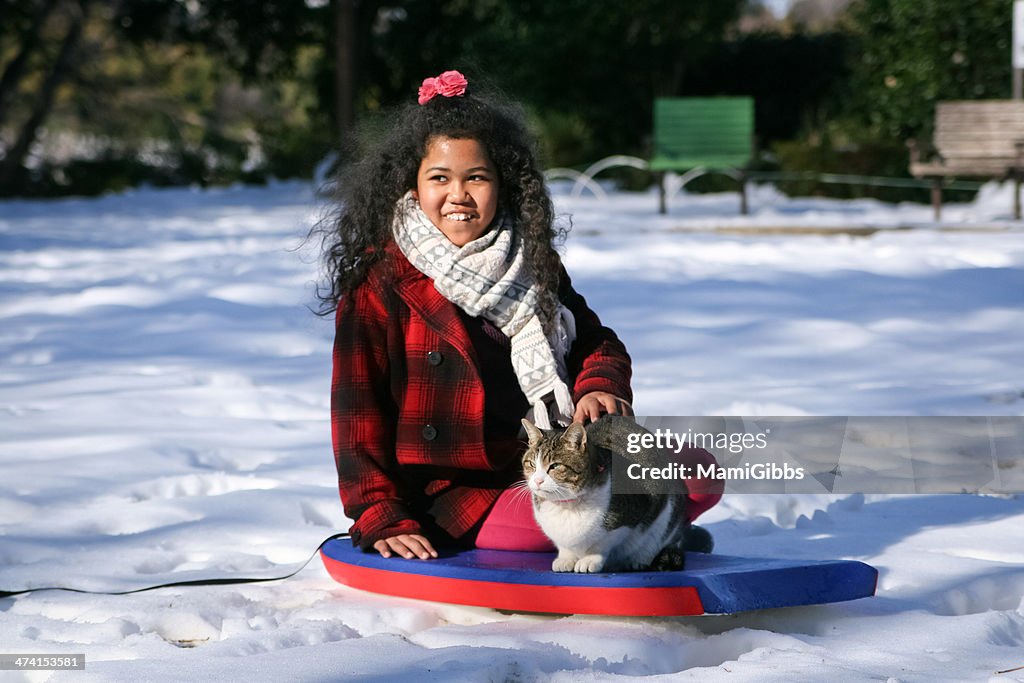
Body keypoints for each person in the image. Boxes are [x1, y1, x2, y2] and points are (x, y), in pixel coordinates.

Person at [319, 70, 720, 561]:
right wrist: (379, 513)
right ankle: (637, 533)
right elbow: (357, 413)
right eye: (440, 178)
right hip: (456, 496)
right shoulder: (380, 284)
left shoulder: (530, 262)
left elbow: (597, 340)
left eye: (477, 178)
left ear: (503, 184)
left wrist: (600, 383)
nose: (458, 195)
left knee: (699, 473)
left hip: (554, 458)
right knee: (571, 523)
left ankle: (647, 532)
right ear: (412, 186)